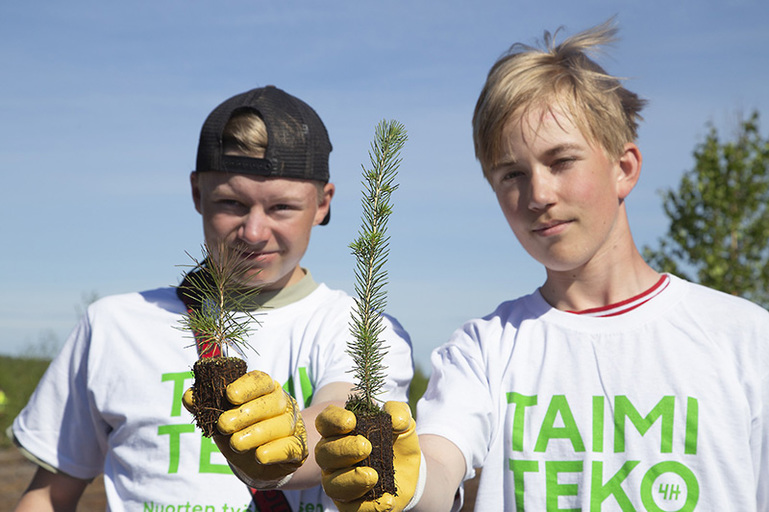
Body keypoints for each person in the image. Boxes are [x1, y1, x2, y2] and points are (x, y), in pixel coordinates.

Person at [312, 19, 769, 511]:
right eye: (512, 174)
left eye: (562, 161)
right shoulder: (482, 350)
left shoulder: (744, 339)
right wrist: (409, 484)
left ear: (624, 168)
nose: (539, 195)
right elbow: (439, 467)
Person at [11, 86, 414, 511]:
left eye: (281, 208)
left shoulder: (362, 326)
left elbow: (339, 416)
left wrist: (281, 448)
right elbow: (49, 495)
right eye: (232, 203)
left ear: (322, 203)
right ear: (197, 194)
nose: (254, 232)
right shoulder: (113, 326)